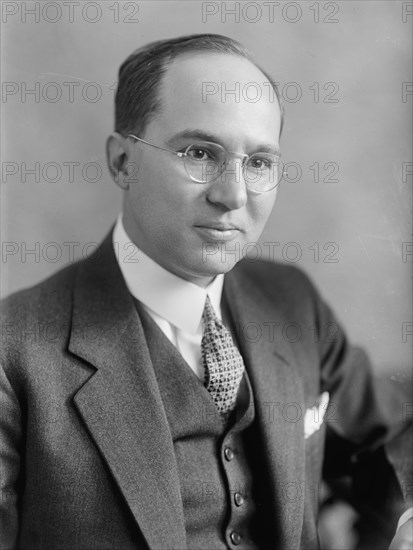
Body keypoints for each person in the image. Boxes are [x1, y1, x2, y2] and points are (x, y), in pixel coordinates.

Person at [0, 34, 411, 550]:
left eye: (259, 162)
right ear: (122, 162)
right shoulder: (14, 351)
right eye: (199, 153)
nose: (233, 194)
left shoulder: (289, 300)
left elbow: (392, 432)